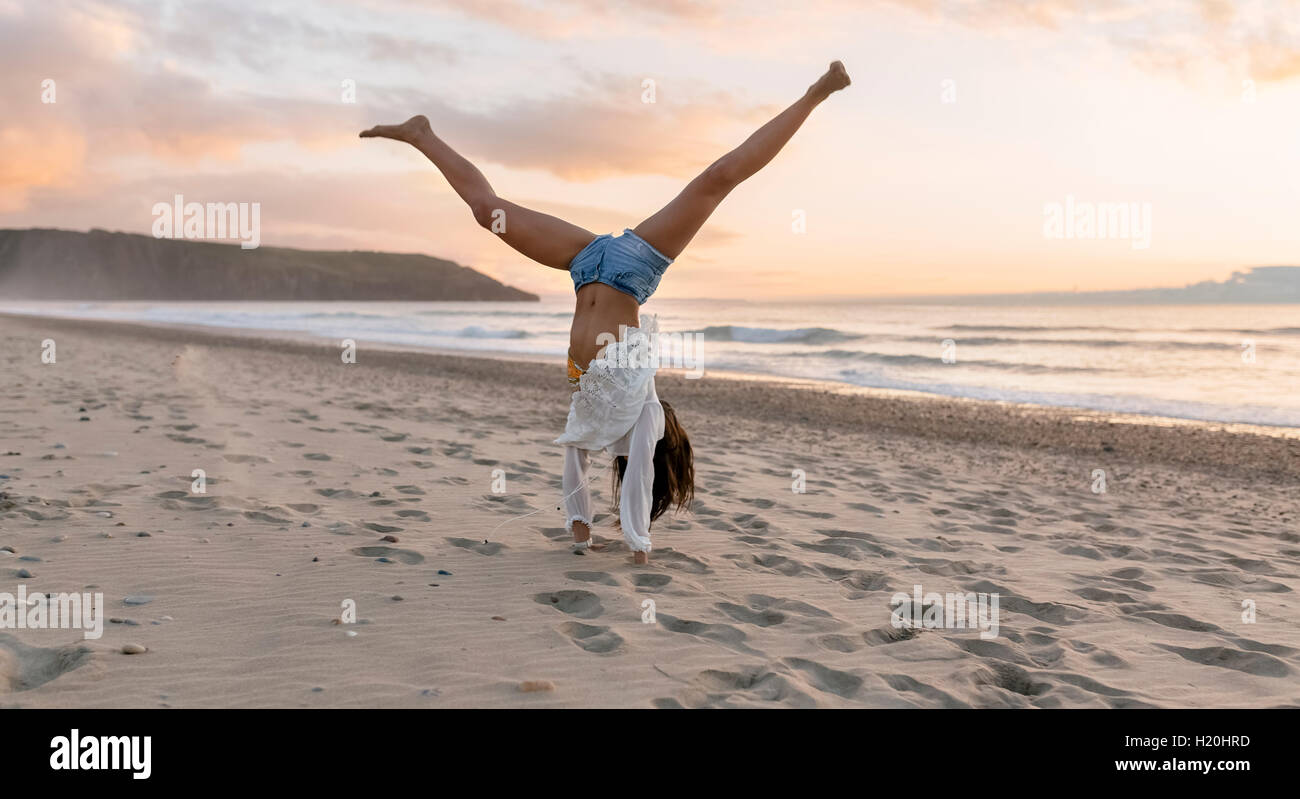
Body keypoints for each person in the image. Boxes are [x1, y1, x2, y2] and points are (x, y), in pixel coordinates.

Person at [361, 61, 851, 564]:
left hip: (584, 261)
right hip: (636, 264)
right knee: (716, 179)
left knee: (490, 213)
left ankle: (423, 135)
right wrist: (639, 544)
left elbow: (575, 457)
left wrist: (581, 535)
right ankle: (815, 94)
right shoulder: (645, 413)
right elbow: (639, 470)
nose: (616, 459)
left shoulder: (590, 411)